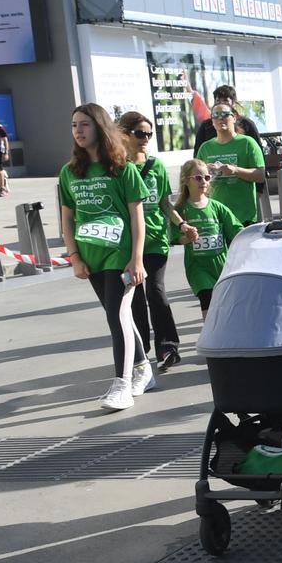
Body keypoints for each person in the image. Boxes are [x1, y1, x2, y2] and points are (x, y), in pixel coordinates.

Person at [60, 104, 151, 411]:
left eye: (84, 124)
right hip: (91, 256)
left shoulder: (122, 167)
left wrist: (137, 259)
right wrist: (74, 257)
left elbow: (136, 215)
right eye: (74, 125)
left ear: (100, 127)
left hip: (120, 256)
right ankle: (143, 368)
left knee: (117, 315)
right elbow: (67, 219)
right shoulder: (69, 172)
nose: (78, 131)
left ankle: (122, 385)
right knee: (119, 316)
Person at [117, 111, 184, 373]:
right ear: (124, 134)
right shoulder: (118, 167)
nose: (145, 139)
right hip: (128, 243)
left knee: (155, 291)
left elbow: (165, 203)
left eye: (149, 134)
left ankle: (168, 346)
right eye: (139, 134)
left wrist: (181, 224)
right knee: (134, 299)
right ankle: (140, 350)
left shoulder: (156, 165)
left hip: (156, 239)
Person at [174, 159, 244, 312]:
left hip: (221, 265)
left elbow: (237, 230)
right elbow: (174, 238)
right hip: (198, 267)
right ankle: (209, 334)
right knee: (207, 298)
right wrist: (187, 238)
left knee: (225, 307)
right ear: (186, 181)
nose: (203, 181)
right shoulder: (181, 209)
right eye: (198, 178)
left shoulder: (217, 207)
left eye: (207, 177)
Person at [197, 102, 266, 229]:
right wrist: (206, 172)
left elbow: (260, 175)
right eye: (215, 115)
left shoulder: (247, 143)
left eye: (224, 114)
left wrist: (235, 170)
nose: (220, 118)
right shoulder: (205, 147)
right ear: (212, 121)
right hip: (215, 215)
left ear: (234, 118)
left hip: (243, 216)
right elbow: (195, 178)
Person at [192, 84, 262, 147]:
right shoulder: (206, 126)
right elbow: (197, 157)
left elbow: (258, 153)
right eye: (218, 101)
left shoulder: (247, 124)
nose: (221, 104)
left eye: (225, 101)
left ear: (233, 103)